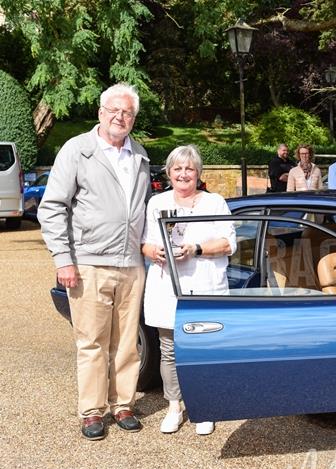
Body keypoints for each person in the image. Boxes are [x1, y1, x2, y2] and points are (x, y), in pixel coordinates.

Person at [38, 83, 150, 440]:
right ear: (101, 112)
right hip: (88, 262)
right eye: (114, 110)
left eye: (127, 113)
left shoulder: (140, 155)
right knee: (91, 341)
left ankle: (123, 404)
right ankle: (91, 411)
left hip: (132, 264)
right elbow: (53, 206)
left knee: (127, 341)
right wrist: (63, 259)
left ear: (133, 118)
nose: (120, 117)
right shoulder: (78, 150)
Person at [141, 145, 236, 435]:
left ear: (198, 173)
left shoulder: (215, 202)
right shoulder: (156, 203)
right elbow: (144, 243)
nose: (183, 174)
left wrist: (195, 249)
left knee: (204, 350)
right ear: (169, 173)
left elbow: (229, 243)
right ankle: (174, 406)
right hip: (167, 287)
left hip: (205, 285)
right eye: (178, 169)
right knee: (169, 350)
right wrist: (153, 252)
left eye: (189, 169)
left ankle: (204, 407)